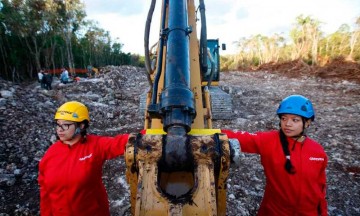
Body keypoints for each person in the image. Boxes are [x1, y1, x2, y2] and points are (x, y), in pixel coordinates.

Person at [222, 95, 328, 216]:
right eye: (283, 118)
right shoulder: (269, 141)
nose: (287, 124)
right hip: (275, 211)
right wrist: (207, 133)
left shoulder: (317, 151)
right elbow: (241, 137)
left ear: (307, 122)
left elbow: (320, 187)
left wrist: (323, 212)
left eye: (295, 120)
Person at [38, 101, 130, 215]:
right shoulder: (51, 154)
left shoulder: (95, 146)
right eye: (58, 124)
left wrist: (151, 134)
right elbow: (45, 192)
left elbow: (120, 142)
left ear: (81, 125)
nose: (59, 130)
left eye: (65, 125)